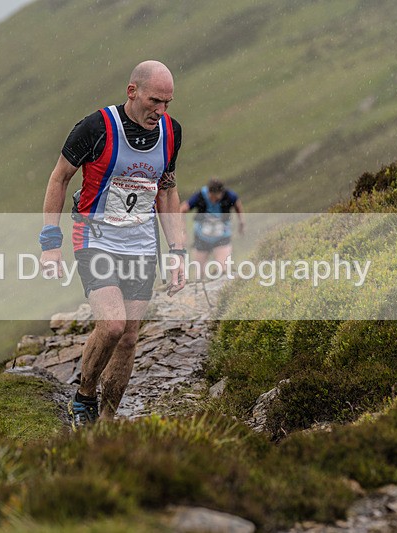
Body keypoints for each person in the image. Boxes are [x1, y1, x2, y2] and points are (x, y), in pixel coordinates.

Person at [39, 60, 186, 429]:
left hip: (141, 243)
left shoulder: (171, 132)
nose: (161, 110)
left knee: (129, 338)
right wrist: (50, 242)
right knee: (113, 325)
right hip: (95, 237)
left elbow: (167, 190)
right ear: (132, 91)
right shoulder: (95, 128)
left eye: (168, 102)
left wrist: (178, 251)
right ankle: (85, 396)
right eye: (155, 100)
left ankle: (106, 420)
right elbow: (58, 180)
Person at [180, 178, 245, 276]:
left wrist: (242, 223)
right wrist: (183, 231)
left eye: (218, 198)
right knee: (199, 272)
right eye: (212, 197)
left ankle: (220, 282)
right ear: (209, 192)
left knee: (223, 269)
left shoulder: (229, 196)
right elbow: (182, 209)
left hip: (222, 236)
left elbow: (238, 206)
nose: (214, 200)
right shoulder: (200, 196)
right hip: (202, 236)